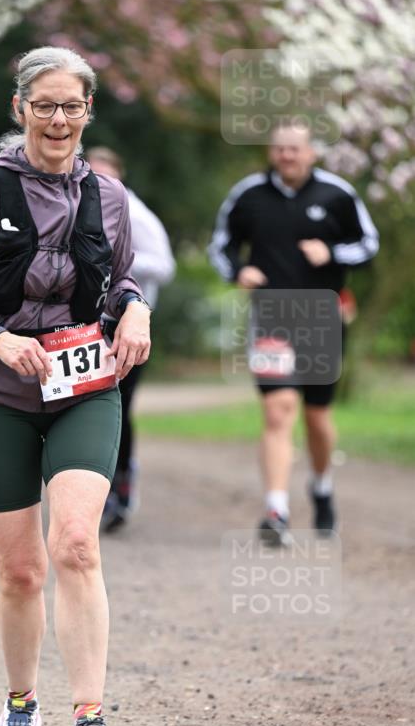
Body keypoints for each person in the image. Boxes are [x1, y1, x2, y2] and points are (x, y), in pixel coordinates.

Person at [0, 47, 151, 726]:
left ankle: (91, 722)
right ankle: (21, 707)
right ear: (18, 108)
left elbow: (119, 279)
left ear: (87, 113)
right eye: (43, 105)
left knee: (77, 544)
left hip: (86, 391)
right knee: (20, 571)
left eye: (71, 106)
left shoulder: (107, 196)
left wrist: (135, 308)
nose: (58, 119)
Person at [208, 121, 379, 545]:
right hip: (271, 316)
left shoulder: (337, 194)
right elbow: (221, 243)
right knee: (278, 409)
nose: (287, 155)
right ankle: (276, 510)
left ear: (311, 153)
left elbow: (368, 243)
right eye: (280, 148)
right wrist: (237, 269)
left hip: (323, 317)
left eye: (295, 149)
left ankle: (321, 487)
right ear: (271, 152)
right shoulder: (248, 194)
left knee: (317, 418)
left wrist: (333, 252)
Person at [86, 147, 175, 531]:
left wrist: (116, 260)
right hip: (86, 327)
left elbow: (165, 266)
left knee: (117, 408)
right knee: (84, 408)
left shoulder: (136, 216)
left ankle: (121, 484)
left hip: (129, 328)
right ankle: (90, 490)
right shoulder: (77, 208)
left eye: (108, 174)